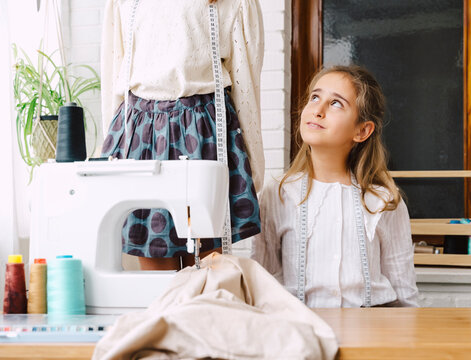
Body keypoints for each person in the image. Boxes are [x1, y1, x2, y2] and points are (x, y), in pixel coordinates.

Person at [100, 0, 264, 270]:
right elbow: (114, 79)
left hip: (203, 132)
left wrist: (252, 166)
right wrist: (112, 149)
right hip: (142, 132)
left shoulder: (231, 2)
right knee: (156, 268)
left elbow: (246, 83)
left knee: (205, 270)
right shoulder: (123, 2)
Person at [251, 65, 418, 307]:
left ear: (362, 131)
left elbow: (405, 295)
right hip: (301, 334)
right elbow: (262, 286)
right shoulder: (277, 195)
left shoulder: (383, 200)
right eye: (315, 97)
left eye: (336, 103)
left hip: (374, 333)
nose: (317, 110)